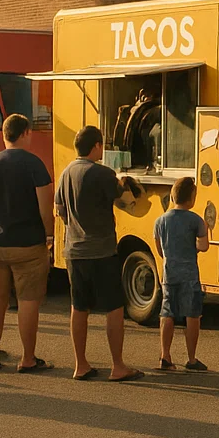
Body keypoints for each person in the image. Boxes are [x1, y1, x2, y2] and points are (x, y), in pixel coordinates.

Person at [56, 125, 143, 382]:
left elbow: (59, 209)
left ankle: (80, 364)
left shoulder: (66, 173)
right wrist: (126, 186)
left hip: (74, 251)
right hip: (102, 250)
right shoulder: (103, 174)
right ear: (96, 146)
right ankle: (117, 366)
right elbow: (128, 203)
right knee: (113, 308)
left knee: (79, 307)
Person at [0, 114, 54, 374]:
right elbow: (45, 207)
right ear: (25, 132)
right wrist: (49, 236)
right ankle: (27, 358)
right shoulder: (35, 164)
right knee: (28, 300)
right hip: (28, 244)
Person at [154, 176, 209, 372]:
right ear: (192, 198)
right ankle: (191, 359)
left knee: (167, 313)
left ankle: (165, 356)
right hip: (189, 275)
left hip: (169, 274)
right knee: (192, 315)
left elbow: (160, 250)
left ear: (172, 196)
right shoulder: (196, 220)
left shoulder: (160, 220)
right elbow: (203, 246)